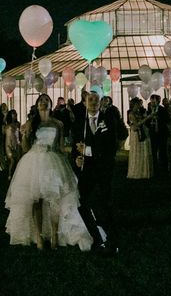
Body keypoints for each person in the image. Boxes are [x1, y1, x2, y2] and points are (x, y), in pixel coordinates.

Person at [5, 94, 92, 251]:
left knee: (54, 200)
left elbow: (59, 147)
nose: (44, 103)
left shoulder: (57, 124)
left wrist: (69, 160)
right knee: (36, 200)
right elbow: (25, 148)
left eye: (46, 101)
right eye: (41, 101)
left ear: (51, 105)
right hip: (34, 160)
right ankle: (38, 236)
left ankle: (54, 235)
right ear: (37, 105)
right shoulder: (32, 123)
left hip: (52, 161)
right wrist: (24, 135)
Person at [71, 91, 120, 254]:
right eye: (89, 99)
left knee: (105, 203)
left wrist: (88, 151)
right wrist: (77, 159)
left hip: (104, 169)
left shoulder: (109, 120)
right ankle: (97, 236)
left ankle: (112, 239)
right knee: (82, 202)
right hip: (87, 171)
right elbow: (75, 147)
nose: (93, 102)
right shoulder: (80, 123)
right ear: (84, 103)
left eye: (96, 99)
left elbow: (111, 147)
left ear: (100, 102)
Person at [126, 98, 154, 179]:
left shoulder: (139, 112)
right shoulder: (131, 113)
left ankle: (143, 171)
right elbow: (136, 124)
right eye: (138, 104)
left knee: (143, 151)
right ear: (134, 105)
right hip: (137, 133)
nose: (139, 105)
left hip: (143, 131)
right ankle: (137, 171)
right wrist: (147, 117)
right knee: (137, 151)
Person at [146, 94, 169, 175]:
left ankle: (164, 169)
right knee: (153, 151)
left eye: (154, 101)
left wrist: (158, 118)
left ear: (158, 101)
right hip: (152, 133)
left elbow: (167, 119)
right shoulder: (149, 110)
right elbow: (146, 122)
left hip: (162, 133)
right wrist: (150, 119)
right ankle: (154, 168)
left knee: (163, 151)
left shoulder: (162, 109)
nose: (152, 103)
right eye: (151, 101)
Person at [4, 109, 21, 180]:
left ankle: (16, 174)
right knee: (12, 160)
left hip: (17, 143)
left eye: (15, 114)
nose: (15, 115)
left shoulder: (18, 124)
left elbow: (19, 134)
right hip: (9, 144)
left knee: (18, 160)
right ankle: (9, 175)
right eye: (13, 114)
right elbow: (7, 136)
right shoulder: (7, 126)